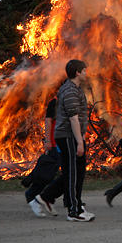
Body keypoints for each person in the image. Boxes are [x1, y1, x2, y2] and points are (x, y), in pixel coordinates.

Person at [37, 59, 94, 222]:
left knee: (76, 171)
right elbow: (73, 118)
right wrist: (80, 141)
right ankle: (73, 211)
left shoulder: (74, 89)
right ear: (77, 72)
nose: (86, 73)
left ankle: (74, 205)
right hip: (68, 136)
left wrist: (82, 136)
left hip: (73, 135)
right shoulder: (69, 90)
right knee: (72, 172)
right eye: (84, 70)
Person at [25, 97, 62, 217]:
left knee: (68, 174)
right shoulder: (55, 102)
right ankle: (33, 195)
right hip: (55, 143)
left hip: (65, 142)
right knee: (48, 174)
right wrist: (47, 141)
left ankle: (49, 198)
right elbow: (48, 121)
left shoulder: (70, 100)